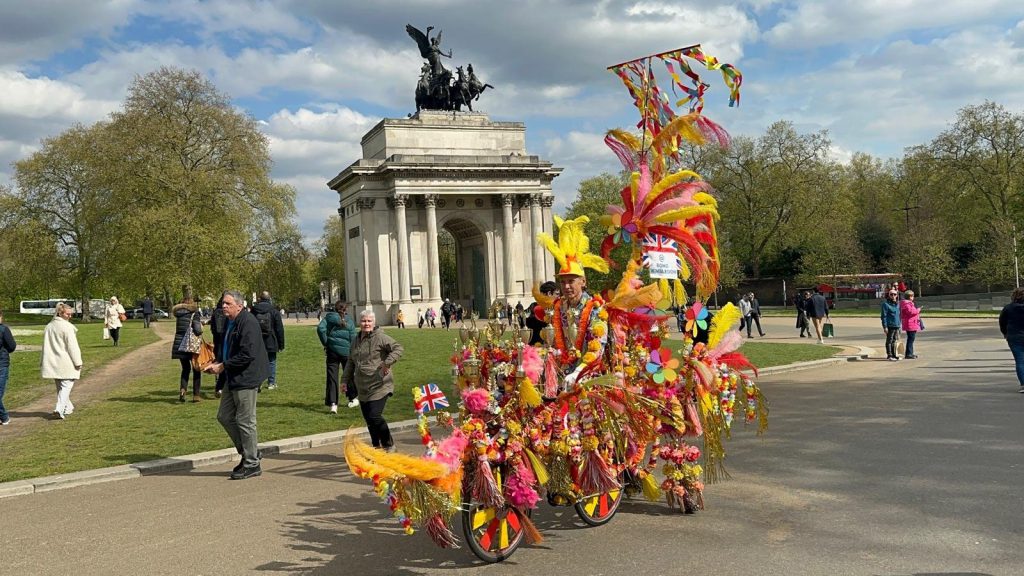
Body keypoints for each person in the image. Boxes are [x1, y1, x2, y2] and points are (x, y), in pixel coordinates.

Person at [206, 290, 270, 480]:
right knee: (224, 416)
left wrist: (222, 366)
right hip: (232, 376)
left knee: (245, 420)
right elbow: (226, 347)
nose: (223, 306)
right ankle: (250, 452)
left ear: (239, 306)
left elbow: (247, 354)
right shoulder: (229, 321)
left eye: (227, 303)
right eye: (223, 303)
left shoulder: (248, 322)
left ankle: (251, 464)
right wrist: (217, 361)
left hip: (246, 377)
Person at [342, 310, 404, 451]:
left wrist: (387, 363)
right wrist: (344, 381)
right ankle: (376, 447)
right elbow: (350, 362)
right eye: (364, 321)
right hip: (363, 386)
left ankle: (389, 445)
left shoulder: (381, 337)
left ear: (374, 323)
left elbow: (398, 349)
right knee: (369, 420)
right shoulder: (356, 340)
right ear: (360, 322)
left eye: (369, 321)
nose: (366, 324)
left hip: (380, 384)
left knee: (374, 416)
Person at [41, 302, 82, 419]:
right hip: (65, 361)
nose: (70, 316)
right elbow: (72, 347)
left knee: (61, 386)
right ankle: (59, 409)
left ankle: (67, 407)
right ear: (60, 313)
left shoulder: (49, 326)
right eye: (68, 314)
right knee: (66, 386)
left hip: (53, 361)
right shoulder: (67, 327)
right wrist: (78, 362)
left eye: (71, 314)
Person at [318, 301, 357, 413]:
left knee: (332, 377)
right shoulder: (349, 320)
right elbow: (353, 337)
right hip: (346, 352)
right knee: (348, 374)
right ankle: (353, 397)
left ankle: (333, 403)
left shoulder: (328, 318)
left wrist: (326, 343)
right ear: (346, 309)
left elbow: (320, 329)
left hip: (332, 351)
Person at [171, 297, 203, 402]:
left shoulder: (179, 314)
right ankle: (196, 395)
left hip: (179, 344)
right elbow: (197, 330)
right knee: (196, 369)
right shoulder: (194, 313)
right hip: (191, 345)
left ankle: (182, 390)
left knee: (185, 369)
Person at [252, 291, 285, 390]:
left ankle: (258, 382)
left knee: (258, 362)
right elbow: (279, 328)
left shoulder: (254, 310)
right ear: (269, 299)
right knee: (271, 361)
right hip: (271, 339)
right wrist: (281, 344)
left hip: (258, 340)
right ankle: (271, 382)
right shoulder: (274, 311)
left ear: (260, 299)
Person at [999, 287, 1024, 393]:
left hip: (1014, 336)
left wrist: (1005, 333)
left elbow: (1002, 322)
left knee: (1020, 361)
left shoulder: (1008, 308)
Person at [526, 281, 558, 345]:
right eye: (557, 294)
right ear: (549, 293)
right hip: (540, 347)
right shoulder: (540, 310)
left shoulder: (532, 308)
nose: (558, 297)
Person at [209, 296, 228, 398]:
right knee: (224, 362)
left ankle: (218, 385)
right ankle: (221, 386)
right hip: (225, 340)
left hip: (217, 341)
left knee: (218, 361)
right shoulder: (228, 312)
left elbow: (212, 327)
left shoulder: (216, 312)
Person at [0, 309, 16, 425]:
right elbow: (11, 346)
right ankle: (4, 416)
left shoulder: (3, 329)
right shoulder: (4, 329)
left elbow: (11, 346)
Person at [900, 290, 923, 359]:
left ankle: (910, 353)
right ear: (909, 297)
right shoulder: (907, 304)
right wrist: (918, 310)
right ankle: (909, 354)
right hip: (910, 324)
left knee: (911, 339)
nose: (913, 297)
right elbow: (911, 312)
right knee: (911, 339)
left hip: (911, 323)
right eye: (912, 296)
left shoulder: (909, 303)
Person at [881, 288, 902, 361]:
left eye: (895, 294)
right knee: (889, 340)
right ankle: (889, 355)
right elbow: (884, 316)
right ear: (889, 295)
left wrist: (899, 325)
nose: (893, 296)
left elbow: (899, 315)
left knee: (894, 340)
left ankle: (895, 354)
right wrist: (885, 326)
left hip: (897, 325)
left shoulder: (897, 304)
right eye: (891, 294)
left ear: (897, 295)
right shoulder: (885, 304)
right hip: (890, 325)